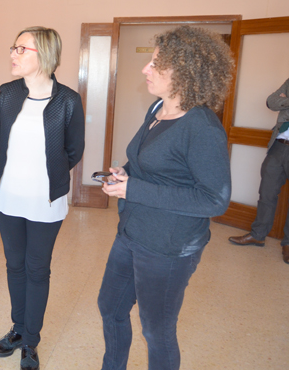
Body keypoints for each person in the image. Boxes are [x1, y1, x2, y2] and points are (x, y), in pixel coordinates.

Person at [98, 26, 233, 370]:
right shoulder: (157, 108)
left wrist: (134, 189)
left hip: (168, 247)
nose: (146, 69)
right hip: (131, 232)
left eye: (157, 64)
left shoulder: (202, 127)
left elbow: (214, 200)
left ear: (185, 72)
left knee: (156, 331)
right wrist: (126, 173)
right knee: (111, 308)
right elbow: (149, 160)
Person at [0, 26, 85, 370]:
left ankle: (31, 341)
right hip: (7, 197)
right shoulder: (7, 94)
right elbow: (1, 142)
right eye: (13, 48)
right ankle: (18, 329)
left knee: (37, 268)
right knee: (14, 264)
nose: (12, 54)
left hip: (46, 200)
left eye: (21, 49)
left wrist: (44, 177)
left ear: (43, 54)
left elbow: (73, 150)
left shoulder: (68, 100)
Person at [228, 76, 289, 264]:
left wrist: (285, 102)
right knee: (266, 193)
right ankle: (258, 235)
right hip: (279, 145)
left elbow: (279, 104)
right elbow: (271, 102)